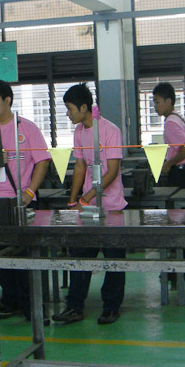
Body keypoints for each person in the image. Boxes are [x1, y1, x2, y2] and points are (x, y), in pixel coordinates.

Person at [52, 84, 128, 325]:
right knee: (80, 258)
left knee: (114, 260)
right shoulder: (79, 132)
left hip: (112, 206)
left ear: (84, 107)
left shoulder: (110, 130)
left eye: (70, 109)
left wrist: (86, 197)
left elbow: (112, 171)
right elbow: (80, 166)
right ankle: (74, 306)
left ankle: (111, 307)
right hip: (87, 209)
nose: (68, 114)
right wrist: (74, 199)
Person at [0, 79, 50, 320]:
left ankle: (32, 305)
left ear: (8, 100)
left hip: (19, 200)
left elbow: (42, 161)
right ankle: (11, 299)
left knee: (23, 255)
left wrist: (30, 192)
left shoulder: (26, 128)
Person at [153, 82, 185, 188]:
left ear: (168, 101)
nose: (155, 106)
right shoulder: (178, 117)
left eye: (157, 102)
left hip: (181, 173)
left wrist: (168, 164)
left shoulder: (170, 122)